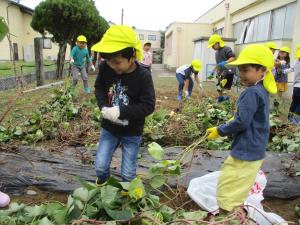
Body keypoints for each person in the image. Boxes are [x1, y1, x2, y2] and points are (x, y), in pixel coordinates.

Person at [206, 44, 277, 214]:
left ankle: (228, 217)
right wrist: (236, 119)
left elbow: (242, 122)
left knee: (228, 186)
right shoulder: (261, 91)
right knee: (238, 188)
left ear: (262, 71)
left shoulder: (251, 92)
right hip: (255, 148)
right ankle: (234, 213)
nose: (242, 75)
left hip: (246, 149)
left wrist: (220, 130)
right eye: (240, 70)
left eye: (246, 70)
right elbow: (249, 118)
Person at [91, 25, 155, 184]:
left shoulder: (143, 77)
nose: (113, 66)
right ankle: (103, 189)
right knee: (100, 167)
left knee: (127, 174)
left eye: (117, 62)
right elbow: (99, 87)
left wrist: (121, 111)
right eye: (110, 62)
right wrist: (103, 106)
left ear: (132, 56)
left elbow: (148, 106)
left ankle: (128, 197)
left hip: (132, 132)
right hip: (109, 128)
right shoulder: (106, 68)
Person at [208, 34, 236, 102]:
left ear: (218, 43)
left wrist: (225, 62)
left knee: (226, 86)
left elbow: (233, 58)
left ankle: (226, 99)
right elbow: (218, 64)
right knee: (218, 86)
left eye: (213, 45)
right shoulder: (217, 53)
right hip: (220, 72)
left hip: (228, 71)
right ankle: (220, 97)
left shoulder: (227, 49)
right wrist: (213, 71)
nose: (212, 47)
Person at [288, 44, 300, 125]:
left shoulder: (297, 62)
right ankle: (295, 123)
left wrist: (281, 71)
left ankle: (289, 120)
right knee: (299, 105)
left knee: (294, 103)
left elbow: (291, 69)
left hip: (296, 87)